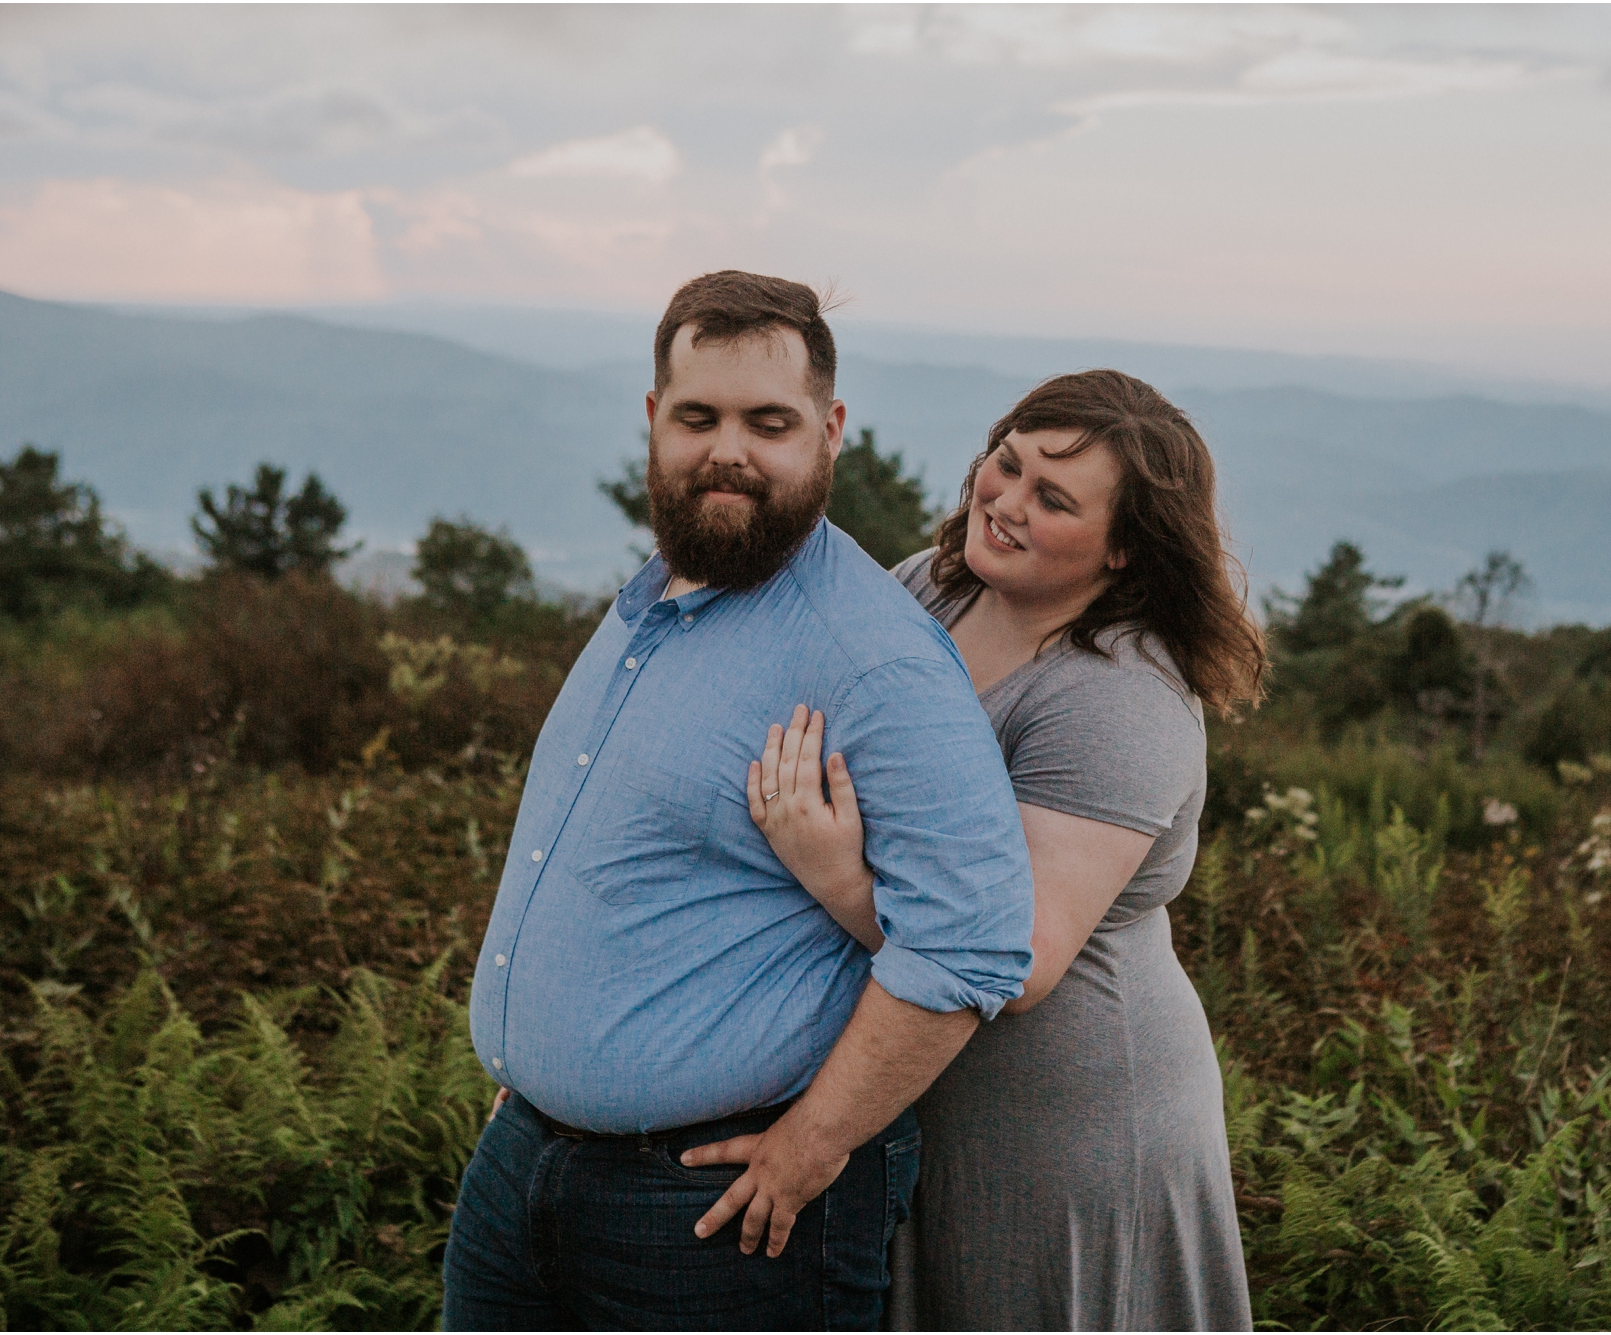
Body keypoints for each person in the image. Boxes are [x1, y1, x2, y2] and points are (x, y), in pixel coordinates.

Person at [441, 271, 1036, 1331]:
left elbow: (971, 943)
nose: (729, 450)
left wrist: (815, 1140)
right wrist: (544, 1074)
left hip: (713, 1219)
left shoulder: (873, 659)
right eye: (697, 417)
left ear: (830, 429)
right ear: (652, 422)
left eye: (770, 422)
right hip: (526, 1163)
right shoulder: (659, 594)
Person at [719, 369, 1269, 1330]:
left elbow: (1015, 958)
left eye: (1052, 498)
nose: (1005, 501)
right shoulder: (934, 587)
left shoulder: (1119, 700)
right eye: (1005, 464)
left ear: (1127, 549)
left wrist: (834, 872)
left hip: (1059, 1122)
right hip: (909, 1075)